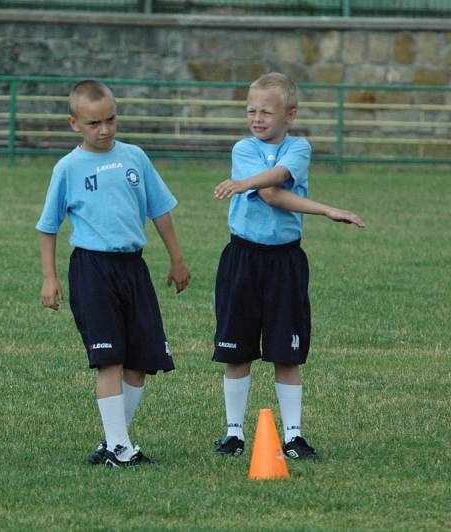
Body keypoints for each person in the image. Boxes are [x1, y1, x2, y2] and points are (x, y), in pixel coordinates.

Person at [36, 80, 191, 467]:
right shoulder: (68, 168)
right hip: (92, 269)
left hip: (133, 268)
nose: (103, 130)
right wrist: (49, 277)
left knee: (139, 364)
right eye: (93, 123)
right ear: (74, 123)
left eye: (110, 120)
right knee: (110, 360)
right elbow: (48, 226)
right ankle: (121, 450)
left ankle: (112, 442)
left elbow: (160, 211)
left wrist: (176, 258)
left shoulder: (135, 157)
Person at [211, 72, 364, 461]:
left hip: (286, 262)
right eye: (251, 110)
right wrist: (248, 183)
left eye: (266, 111)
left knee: (288, 352)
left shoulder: (300, 148)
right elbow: (268, 193)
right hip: (243, 258)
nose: (257, 118)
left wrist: (328, 209)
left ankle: (294, 436)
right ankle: (233, 434)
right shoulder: (243, 148)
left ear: (289, 115)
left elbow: (278, 182)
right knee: (236, 351)